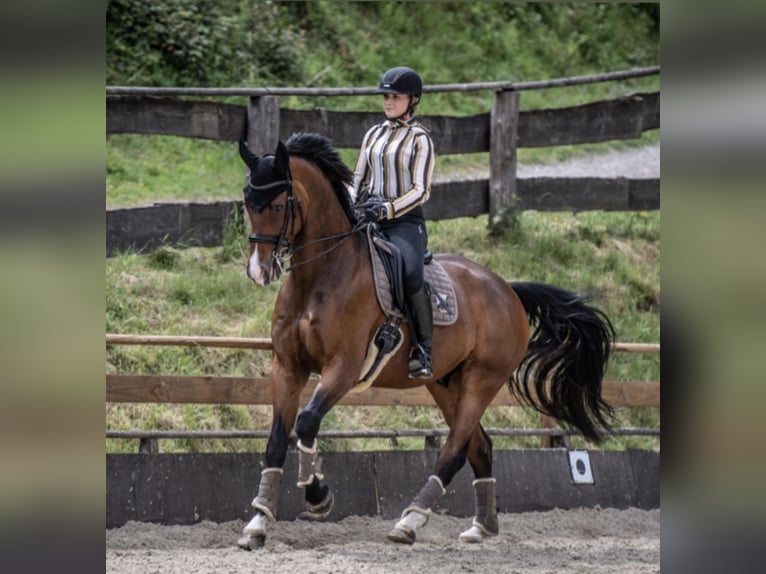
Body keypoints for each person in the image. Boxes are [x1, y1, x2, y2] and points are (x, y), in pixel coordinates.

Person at [349, 66, 435, 378]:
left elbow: (421, 190)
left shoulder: (420, 139)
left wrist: (387, 209)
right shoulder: (373, 134)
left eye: (395, 97)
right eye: (386, 96)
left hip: (404, 223)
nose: (388, 102)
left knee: (412, 273)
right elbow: (358, 177)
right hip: (368, 214)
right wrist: (349, 203)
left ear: (412, 100)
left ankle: (424, 348)